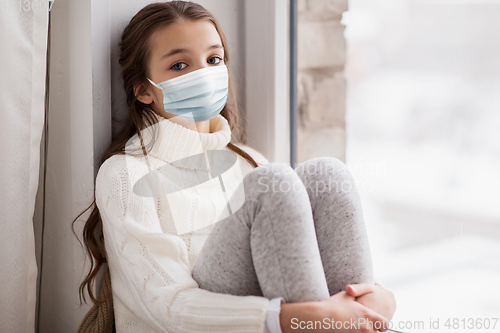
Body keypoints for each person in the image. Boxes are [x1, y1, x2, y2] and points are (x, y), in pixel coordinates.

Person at [74, 1, 396, 332]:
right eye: (180, 65)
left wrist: (379, 298)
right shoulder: (126, 175)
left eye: (213, 60)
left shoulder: (248, 162)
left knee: (327, 174)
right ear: (143, 90)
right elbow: (168, 306)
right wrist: (304, 318)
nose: (203, 74)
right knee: (271, 183)